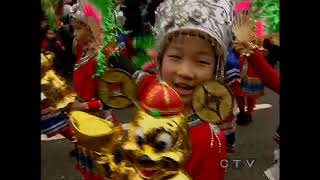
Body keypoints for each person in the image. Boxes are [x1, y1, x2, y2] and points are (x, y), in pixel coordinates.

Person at [134, 0, 234, 179]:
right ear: (160, 60)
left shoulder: (209, 141)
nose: (186, 72)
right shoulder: (151, 99)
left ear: (216, 70)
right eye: (175, 57)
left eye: (202, 61)